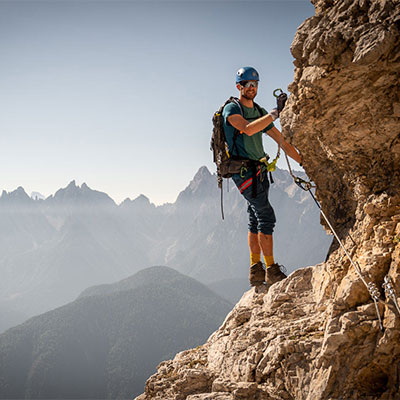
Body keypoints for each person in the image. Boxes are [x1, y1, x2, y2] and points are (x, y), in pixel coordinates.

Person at [222, 66, 302, 287]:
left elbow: (281, 141)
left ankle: (256, 270)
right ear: (239, 87)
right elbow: (247, 129)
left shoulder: (259, 111)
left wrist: (305, 162)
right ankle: (271, 270)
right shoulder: (232, 109)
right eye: (248, 85)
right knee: (266, 216)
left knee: (254, 217)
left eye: (255, 85)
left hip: (258, 170)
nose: (252, 88)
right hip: (244, 172)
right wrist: (274, 114)